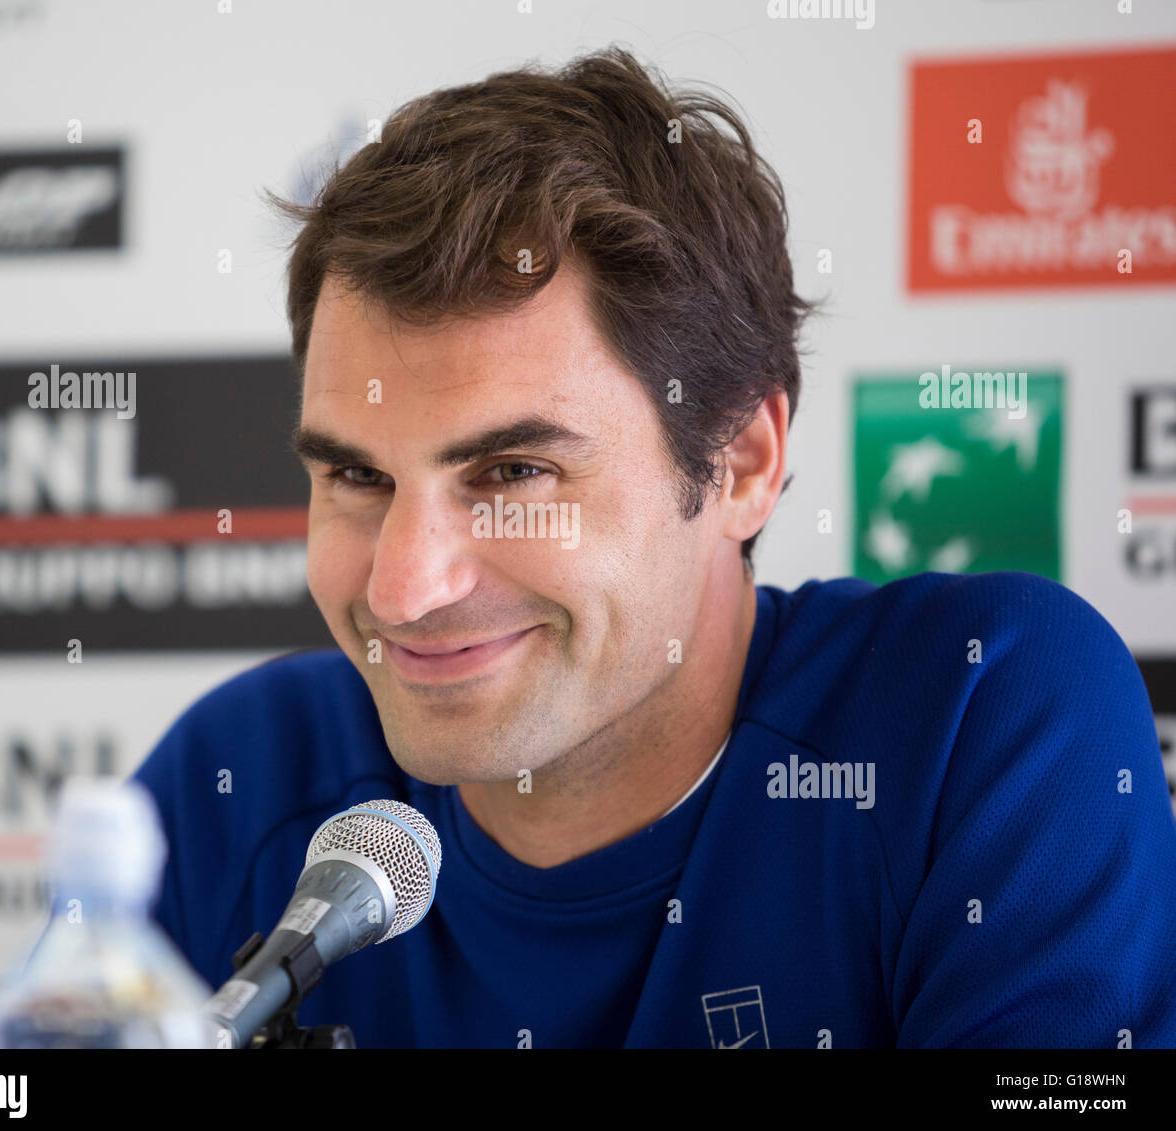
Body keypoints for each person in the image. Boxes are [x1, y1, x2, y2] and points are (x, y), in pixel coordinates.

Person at [133, 45, 1176, 1048]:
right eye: (359, 478)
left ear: (741, 463)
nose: (405, 588)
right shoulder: (238, 780)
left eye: (512, 475)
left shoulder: (978, 713)